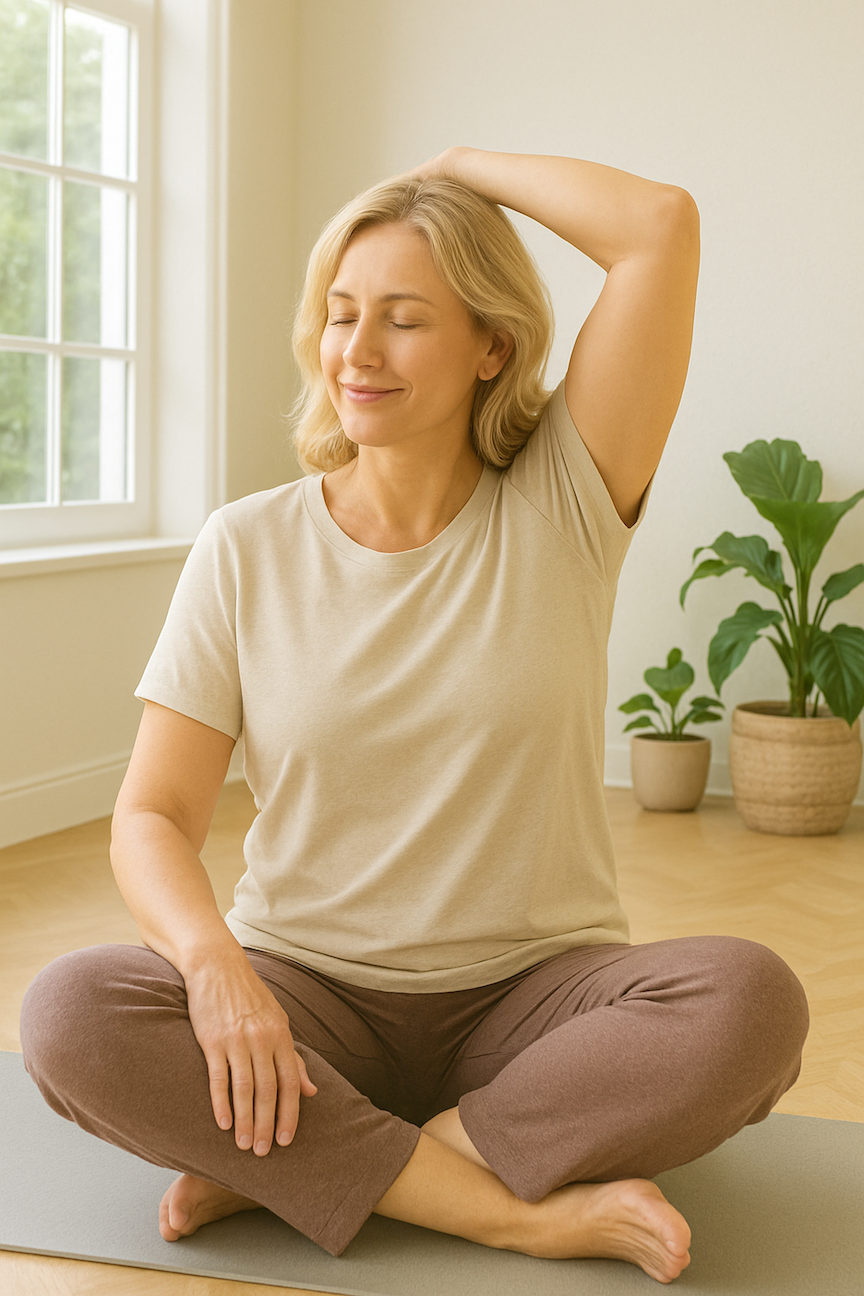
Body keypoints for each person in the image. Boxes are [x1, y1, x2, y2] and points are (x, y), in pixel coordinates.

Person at [21, 148, 808, 1286]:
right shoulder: (246, 546)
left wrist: (451, 170)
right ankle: (502, 1208)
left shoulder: (566, 500)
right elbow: (151, 812)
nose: (358, 352)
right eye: (341, 315)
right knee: (71, 1014)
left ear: (493, 345)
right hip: (307, 1001)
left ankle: (306, 1165)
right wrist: (212, 969)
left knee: (750, 1005)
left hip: (535, 1002)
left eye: (403, 319)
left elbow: (659, 228)